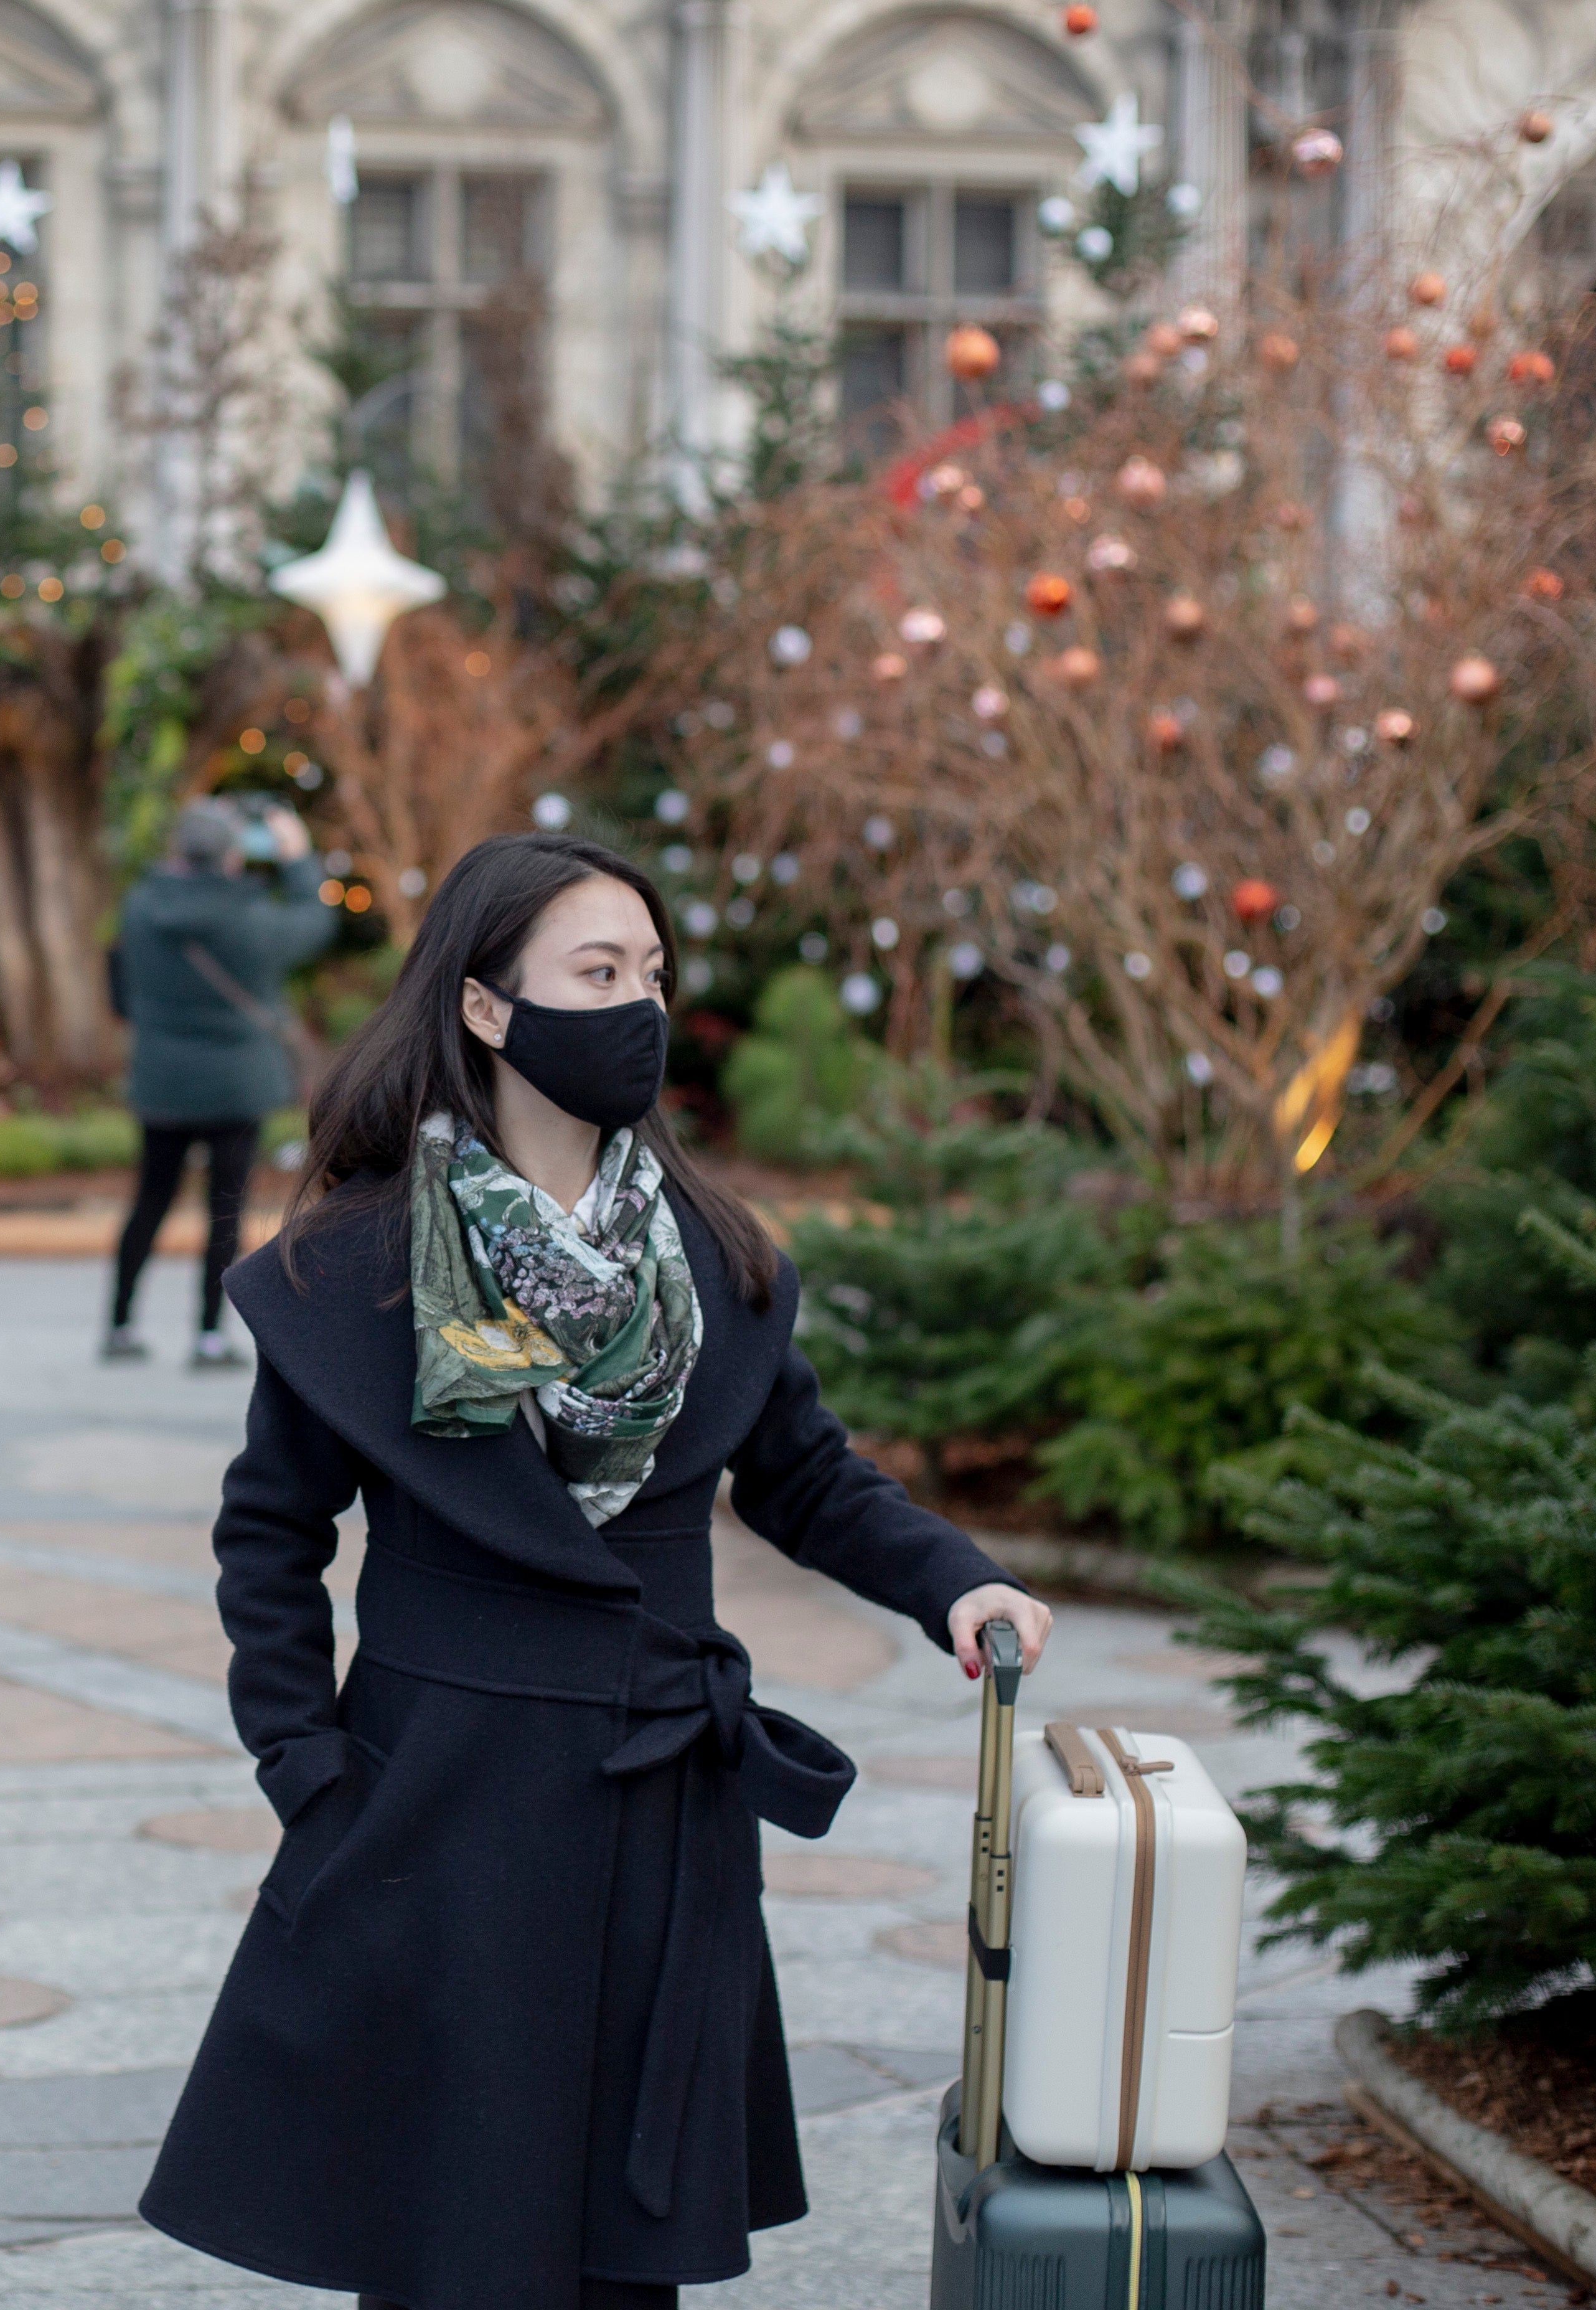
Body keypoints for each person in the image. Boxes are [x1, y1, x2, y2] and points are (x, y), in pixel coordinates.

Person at [137, 832, 1054, 2310]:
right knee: (449, 2227)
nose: (637, 1004)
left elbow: (807, 1473)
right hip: (439, 1792)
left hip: (654, 1797)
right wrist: (308, 1763)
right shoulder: (362, 1264)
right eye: (597, 971)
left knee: (623, 2239)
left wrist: (956, 1581)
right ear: (492, 1007)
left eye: (652, 974)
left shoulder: (714, 1255)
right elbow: (272, 1535)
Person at [105, 796, 335, 1368]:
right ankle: (208, 1337)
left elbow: (119, 989)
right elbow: (316, 920)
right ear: (234, 856)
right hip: (237, 1084)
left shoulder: (140, 907)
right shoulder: (250, 916)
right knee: (225, 1211)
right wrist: (298, 856)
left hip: (161, 1080)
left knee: (150, 1201)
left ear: (179, 848)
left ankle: (119, 1327)